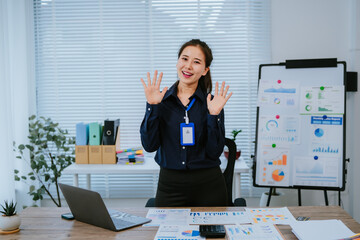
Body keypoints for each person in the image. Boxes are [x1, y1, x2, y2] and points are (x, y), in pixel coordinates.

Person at [140, 39, 232, 207]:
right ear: (177, 62)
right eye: (184, 59)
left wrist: (213, 115)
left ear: (205, 70)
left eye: (196, 62)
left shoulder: (212, 103)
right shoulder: (161, 100)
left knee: (213, 234)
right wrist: (153, 107)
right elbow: (149, 145)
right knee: (165, 233)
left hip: (209, 186)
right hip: (170, 186)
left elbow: (214, 152)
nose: (188, 66)